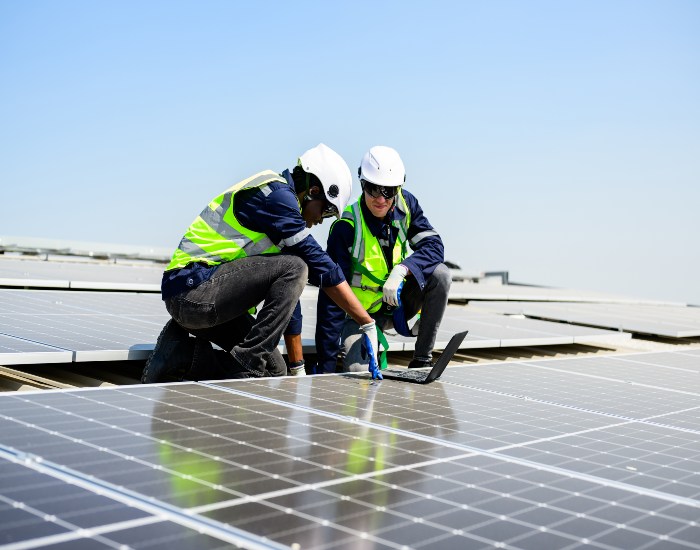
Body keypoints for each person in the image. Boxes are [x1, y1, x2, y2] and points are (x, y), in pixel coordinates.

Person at [142, 143, 381, 382]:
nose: (320, 220)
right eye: (326, 211)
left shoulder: (283, 218)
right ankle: (246, 363)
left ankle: (181, 355)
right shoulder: (277, 197)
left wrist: (297, 367)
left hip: (210, 303)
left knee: (274, 369)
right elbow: (321, 267)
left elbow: (288, 301)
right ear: (313, 190)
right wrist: (366, 322)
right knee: (297, 267)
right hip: (192, 291)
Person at [314, 145, 451, 374]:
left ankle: (422, 360)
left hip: (396, 305)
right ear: (362, 185)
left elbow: (435, 247)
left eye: (389, 191)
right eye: (373, 189)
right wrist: (325, 367)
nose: (381, 199)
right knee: (358, 373)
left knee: (441, 275)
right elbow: (331, 297)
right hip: (359, 316)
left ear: (399, 188)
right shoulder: (346, 227)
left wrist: (403, 270)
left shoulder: (406, 206)